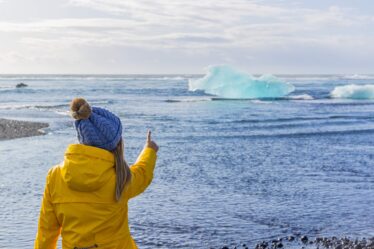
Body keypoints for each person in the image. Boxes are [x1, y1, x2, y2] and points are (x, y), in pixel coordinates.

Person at [34, 98, 159, 249]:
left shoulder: (55, 176)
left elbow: (46, 231)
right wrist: (149, 150)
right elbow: (142, 173)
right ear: (117, 143)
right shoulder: (120, 177)